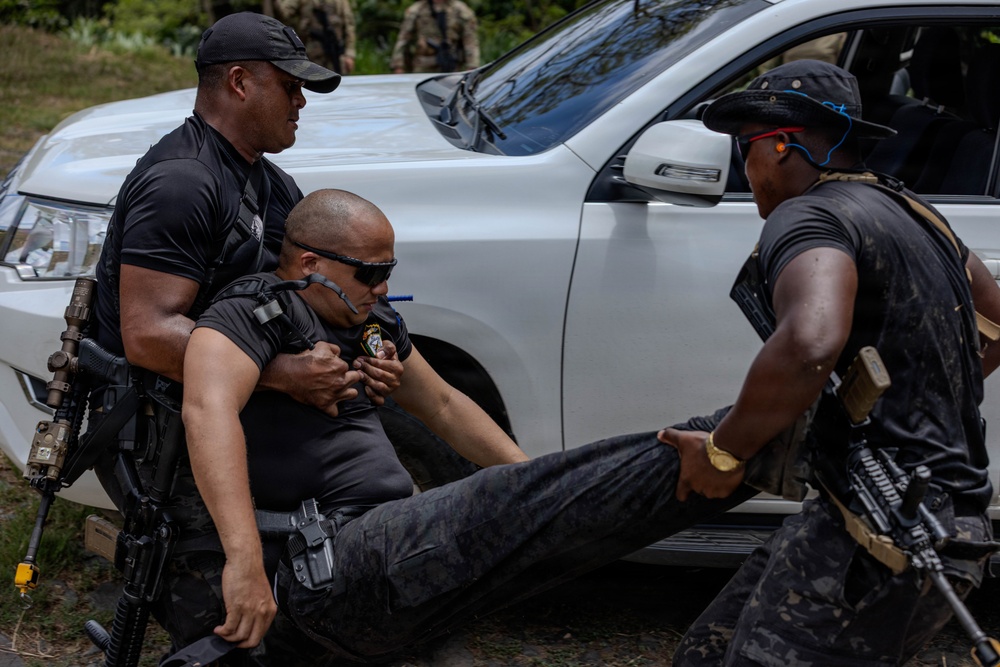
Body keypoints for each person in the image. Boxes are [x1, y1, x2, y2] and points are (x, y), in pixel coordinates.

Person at [181, 188, 761, 664]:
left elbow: (444, 406)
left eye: (390, 270)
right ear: (310, 264)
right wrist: (245, 562)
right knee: (609, 480)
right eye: (370, 272)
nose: (383, 286)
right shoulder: (256, 310)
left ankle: (750, 447)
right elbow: (208, 410)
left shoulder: (370, 319)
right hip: (337, 558)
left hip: (386, 541)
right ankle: (747, 438)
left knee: (574, 509)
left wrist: (538, 487)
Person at [659, 60, 1000, 666]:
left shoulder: (810, 215)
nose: (747, 170)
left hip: (887, 541)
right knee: (706, 655)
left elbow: (809, 344)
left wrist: (724, 451)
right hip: (903, 518)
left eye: (748, 149)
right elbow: (997, 319)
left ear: (784, 147)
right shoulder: (914, 211)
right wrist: (915, 400)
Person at [87, 12, 403, 664]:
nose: (301, 102)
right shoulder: (183, 183)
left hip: (224, 401)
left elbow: (332, 293)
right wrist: (285, 374)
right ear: (238, 82)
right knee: (230, 625)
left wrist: (371, 352)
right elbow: (146, 336)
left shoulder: (269, 183)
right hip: (152, 430)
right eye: (289, 86)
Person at [389, 0, 479, 74]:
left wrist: (472, 66)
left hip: (451, 63)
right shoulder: (417, 10)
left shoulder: (461, 10)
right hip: (423, 65)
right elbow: (403, 40)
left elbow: (470, 41)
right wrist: (398, 66)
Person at [275, 0, 357, 75]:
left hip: (334, 52)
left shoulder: (341, 2)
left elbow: (349, 25)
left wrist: (349, 54)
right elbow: (285, 14)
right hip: (309, 52)